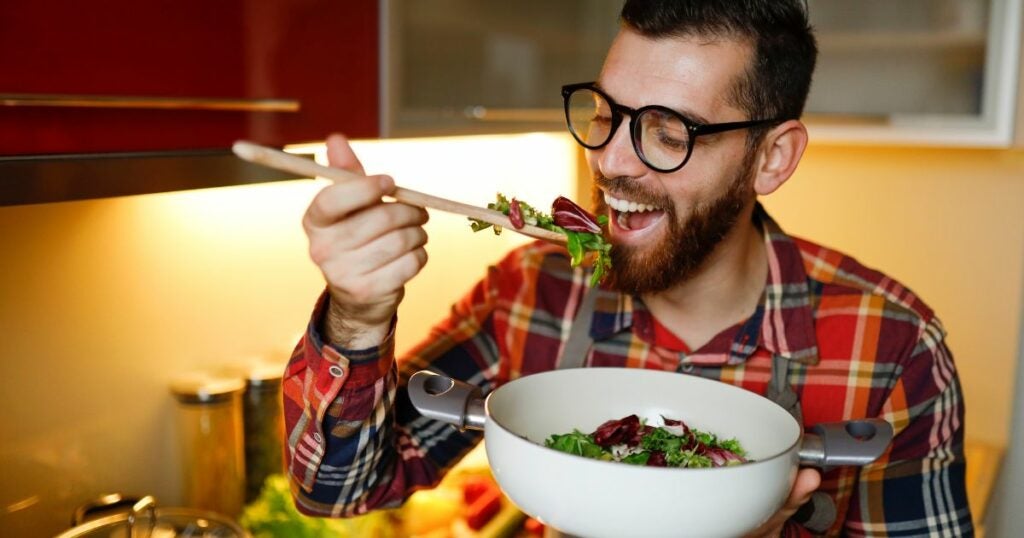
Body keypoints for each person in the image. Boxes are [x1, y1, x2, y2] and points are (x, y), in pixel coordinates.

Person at [282, 1, 973, 535]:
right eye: (606, 114)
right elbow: (337, 490)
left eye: (669, 133)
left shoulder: (894, 350)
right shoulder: (533, 292)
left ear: (772, 159)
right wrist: (358, 317)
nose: (613, 159)